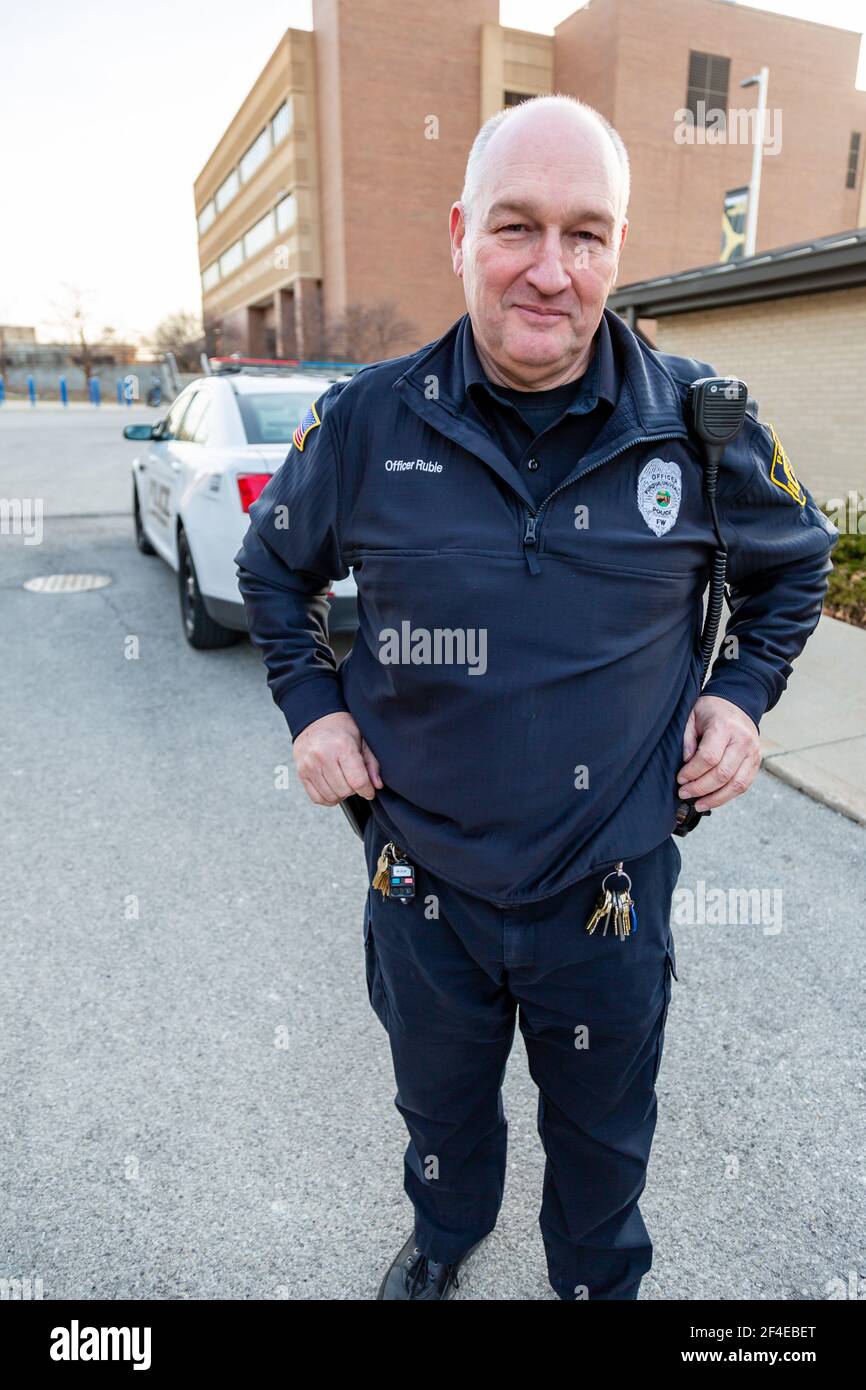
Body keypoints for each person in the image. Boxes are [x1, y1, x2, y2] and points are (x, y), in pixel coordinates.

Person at [233, 95, 836, 1300]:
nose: (549, 271)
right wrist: (314, 710)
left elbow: (795, 562)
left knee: (604, 1141)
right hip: (423, 890)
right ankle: (448, 1237)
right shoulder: (365, 420)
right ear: (459, 233)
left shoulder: (700, 427)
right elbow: (268, 569)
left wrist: (742, 694)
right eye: (516, 228)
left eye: (585, 234)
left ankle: (593, 1284)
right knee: (440, 1107)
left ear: (616, 249)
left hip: (604, 898)